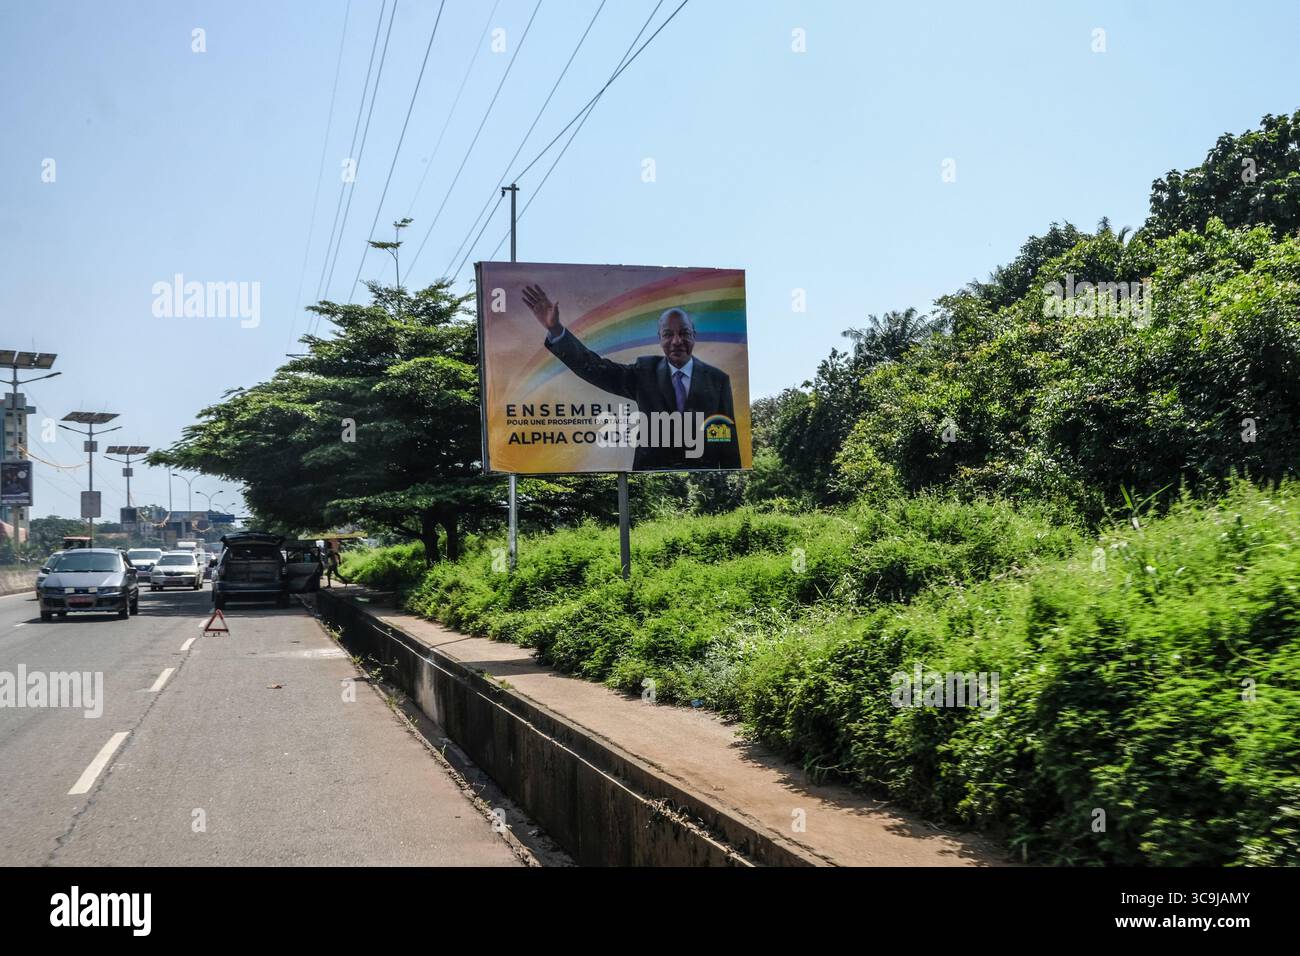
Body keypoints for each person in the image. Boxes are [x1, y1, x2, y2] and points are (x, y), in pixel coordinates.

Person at [522, 283, 741, 470]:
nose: (676, 341)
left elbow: (728, 443)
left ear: (695, 336)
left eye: (684, 333)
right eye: (668, 334)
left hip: (703, 483)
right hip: (650, 480)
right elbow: (594, 367)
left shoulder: (717, 380)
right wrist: (556, 329)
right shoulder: (644, 373)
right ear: (659, 339)